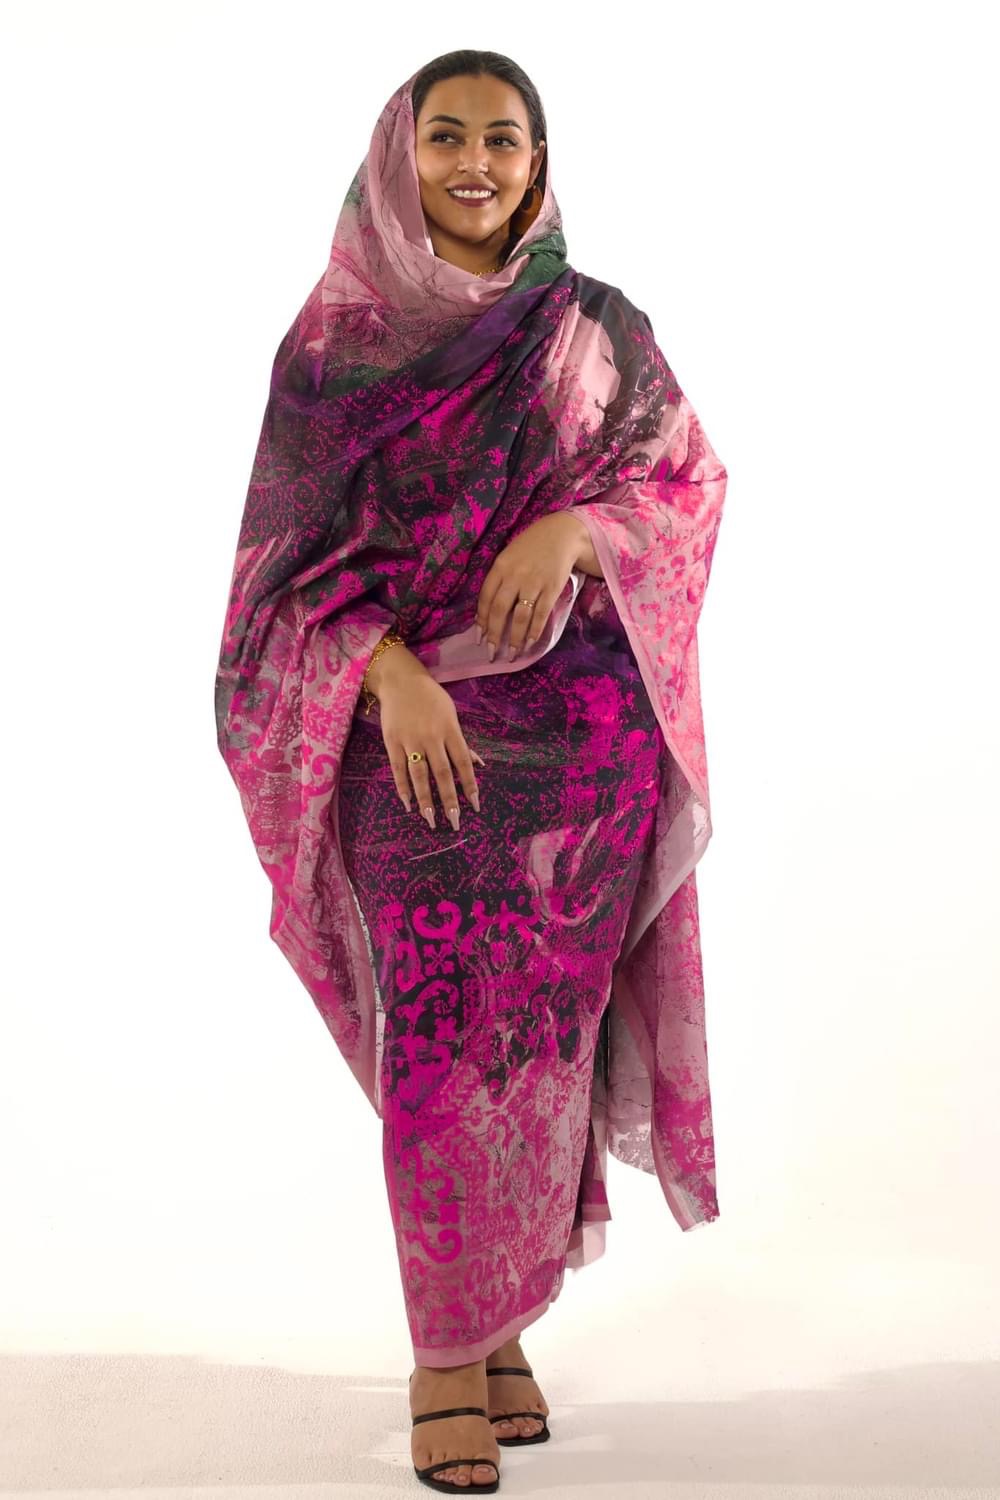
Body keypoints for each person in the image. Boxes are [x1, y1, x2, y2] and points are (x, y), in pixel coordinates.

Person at [214, 49, 727, 1496]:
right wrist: (386, 672)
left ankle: (497, 1328)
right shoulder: (335, 353)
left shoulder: (593, 328)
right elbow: (272, 583)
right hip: (413, 747)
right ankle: (447, 1355)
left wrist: (574, 533)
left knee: (540, 1049)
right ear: (402, 156)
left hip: (583, 759)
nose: (476, 164)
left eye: (503, 139)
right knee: (445, 1050)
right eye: (446, 137)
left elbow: (683, 485)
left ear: (537, 161)